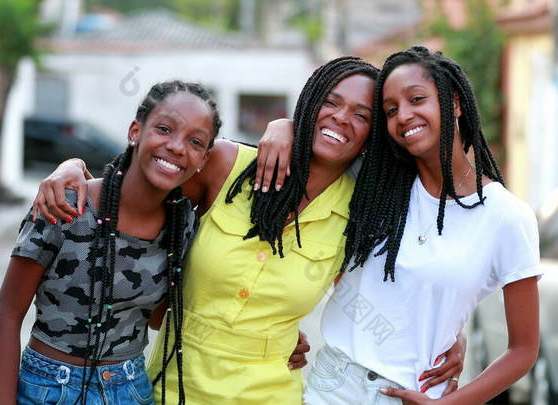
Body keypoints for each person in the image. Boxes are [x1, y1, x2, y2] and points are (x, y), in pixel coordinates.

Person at [32, 57, 465, 404]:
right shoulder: (226, 166)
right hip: (172, 389)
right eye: (330, 102)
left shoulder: (362, 215)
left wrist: (449, 334)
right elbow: (142, 178)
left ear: (373, 134)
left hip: (271, 394)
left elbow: (411, 279)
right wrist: (74, 169)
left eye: (362, 114)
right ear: (309, 104)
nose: (340, 118)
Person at [300, 46, 541, 404]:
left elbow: (523, 350)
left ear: (455, 102)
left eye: (417, 99)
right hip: (334, 385)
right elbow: (310, 152)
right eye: (391, 110)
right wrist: (281, 129)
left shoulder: (506, 217)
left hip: (417, 395)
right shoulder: (371, 183)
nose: (404, 116)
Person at [0, 80, 221, 405]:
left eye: (195, 141)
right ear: (135, 131)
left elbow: (156, 318)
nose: (178, 146)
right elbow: (7, 316)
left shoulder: (182, 225)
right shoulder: (65, 205)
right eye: (165, 128)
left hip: (130, 389)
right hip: (50, 388)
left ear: (203, 158)